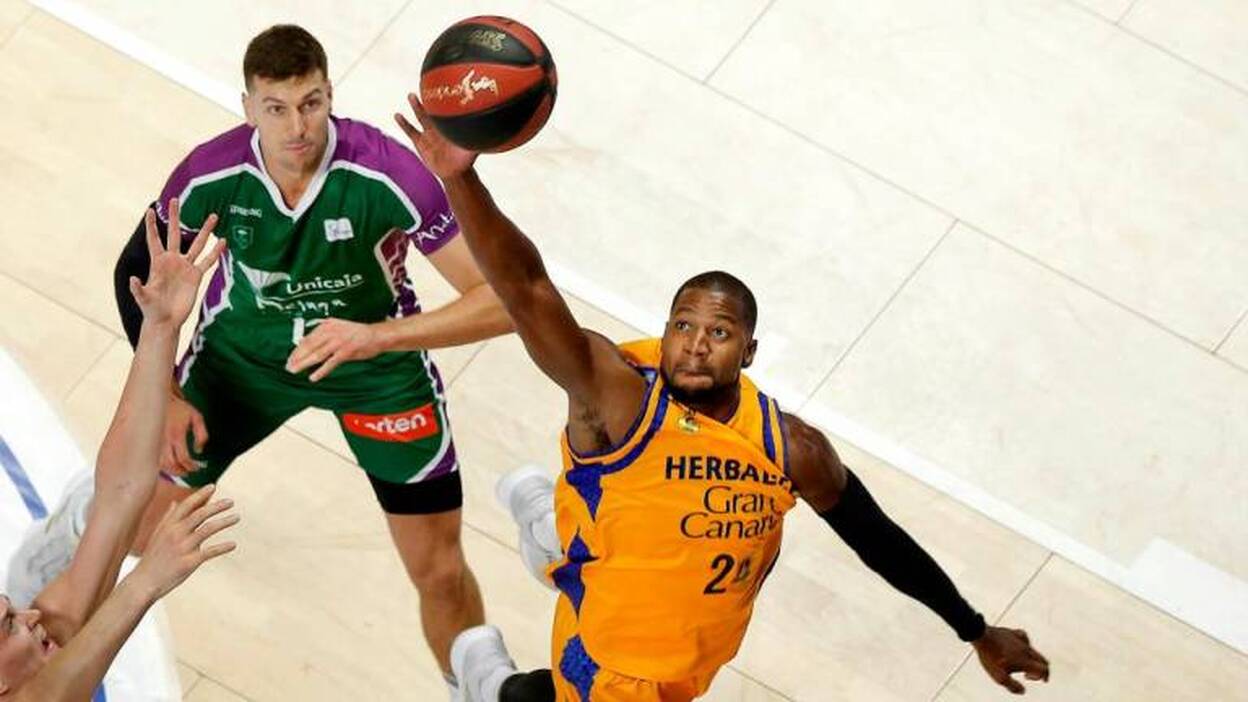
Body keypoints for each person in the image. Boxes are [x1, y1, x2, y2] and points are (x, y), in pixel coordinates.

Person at [394, 96, 1052, 701]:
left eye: (719, 332)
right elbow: (527, 287)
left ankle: (550, 533)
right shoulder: (616, 395)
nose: (696, 345)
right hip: (610, 654)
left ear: (749, 352)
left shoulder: (791, 449)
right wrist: (460, 180)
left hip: (687, 660)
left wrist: (974, 629)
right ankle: (499, 658)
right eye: (683, 326)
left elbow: (877, 540)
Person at [102, 24, 513, 691]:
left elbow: (502, 301)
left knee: (438, 568)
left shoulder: (390, 173)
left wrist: (374, 337)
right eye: (277, 108)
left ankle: (470, 687)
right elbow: (135, 276)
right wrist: (167, 396)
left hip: (377, 371)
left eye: (311, 103)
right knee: (130, 520)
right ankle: (51, 657)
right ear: (247, 107)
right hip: (240, 362)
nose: (297, 126)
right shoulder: (212, 174)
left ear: (329, 96)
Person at [1, 205, 239, 700]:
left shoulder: (49, 628)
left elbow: (121, 496)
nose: (32, 614)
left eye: (11, 613)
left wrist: (160, 330)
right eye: (9, 626)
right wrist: (146, 579)